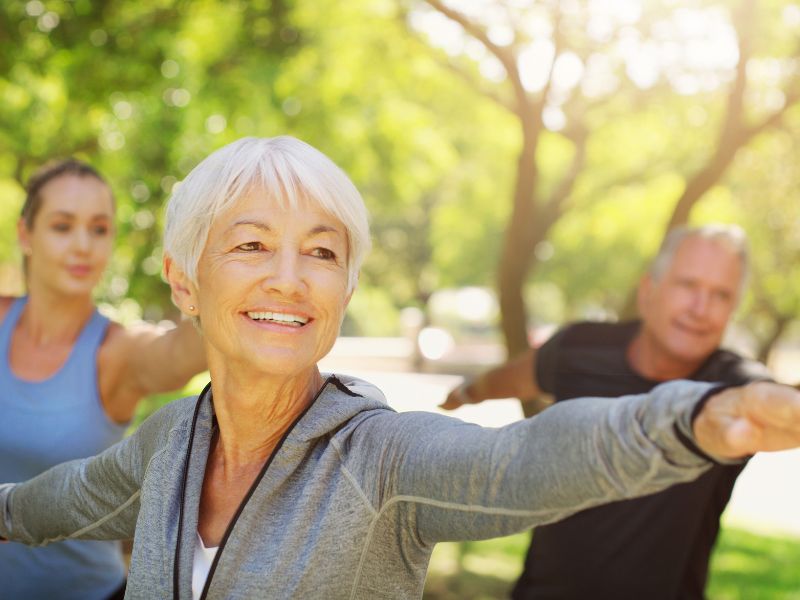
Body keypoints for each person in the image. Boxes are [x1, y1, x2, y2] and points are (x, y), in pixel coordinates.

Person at [2, 138, 800, 600]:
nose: (290, 276)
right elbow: (55, 502)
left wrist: (688, 422)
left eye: (322, 252)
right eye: (250, 245)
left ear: (344, 290)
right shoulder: (168, 441)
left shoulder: (377, 461)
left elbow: (519, 462)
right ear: (184, 280)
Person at [442, 224, 770, 600]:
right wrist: (465, 393)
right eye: (688, 285)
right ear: (649, 291)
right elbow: (512, 378)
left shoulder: (736, 385)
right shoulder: (582, 348)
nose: (700, 308)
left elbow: (778, 406)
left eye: (720, 295)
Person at [0, 159, 207, 600]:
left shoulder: (118, 353)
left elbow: (181, 352)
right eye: (62, 226)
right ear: (25, 234)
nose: (83, 246)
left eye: (99, 229)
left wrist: (221, 285)